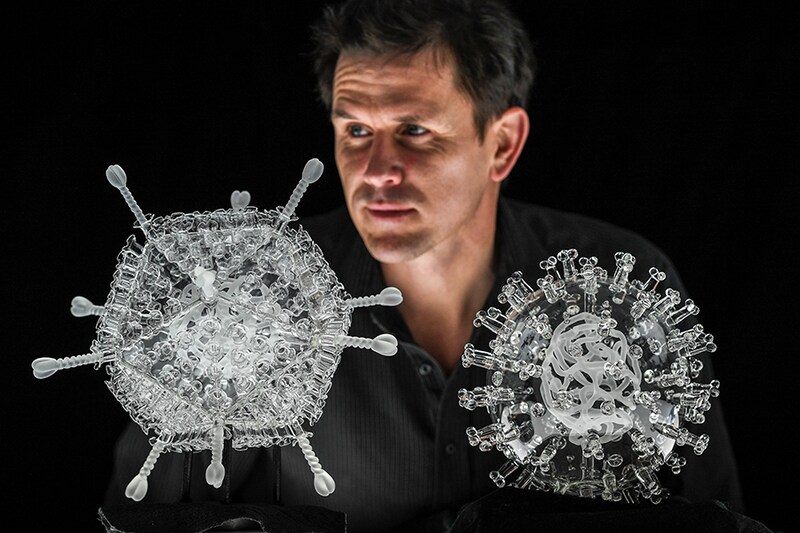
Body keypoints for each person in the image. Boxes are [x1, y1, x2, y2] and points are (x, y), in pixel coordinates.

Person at [104, 0, 743, 531]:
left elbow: (711, 517)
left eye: (414, 130)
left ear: (502, 143)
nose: (377, 169)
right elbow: (146, 519)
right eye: (355, 131)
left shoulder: (621, 290)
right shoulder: (245, 296)